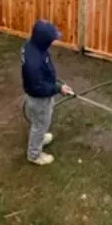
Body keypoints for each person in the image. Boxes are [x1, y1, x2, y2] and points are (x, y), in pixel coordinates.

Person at [22, 19, 74, 165]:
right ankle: (34, 155)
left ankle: (39, 138)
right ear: (43, 40)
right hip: (38, 98)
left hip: (41, 94)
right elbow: (38, 87)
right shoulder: (34, 63)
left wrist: (56, 85)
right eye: (51, 39)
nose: (53, 42)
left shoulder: (32, 46)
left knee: (41, 122)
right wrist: (58, 88)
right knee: (40, 125)